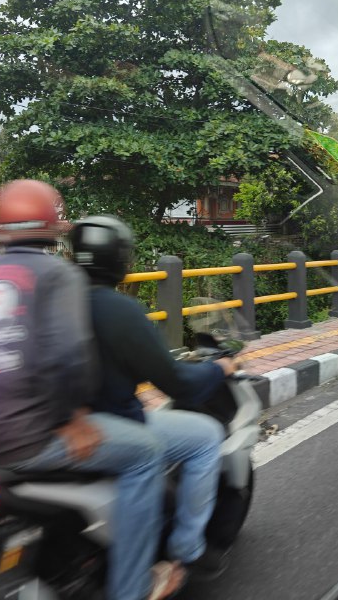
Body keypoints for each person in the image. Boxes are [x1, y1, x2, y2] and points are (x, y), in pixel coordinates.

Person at [0, 179, 183, 600]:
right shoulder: (57, 273)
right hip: (26, 438)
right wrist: (72, 418)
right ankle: (133, 586)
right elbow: (69, 359)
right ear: (50, 224)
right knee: (146, 453)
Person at [70, 215, 237, 580]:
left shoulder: (56, 301)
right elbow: (178, 383)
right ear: (119, 260)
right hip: (112, 423)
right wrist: (218, 369)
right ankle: (186, 548)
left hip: (62, 423)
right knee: (206, 437)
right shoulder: (120, 309)